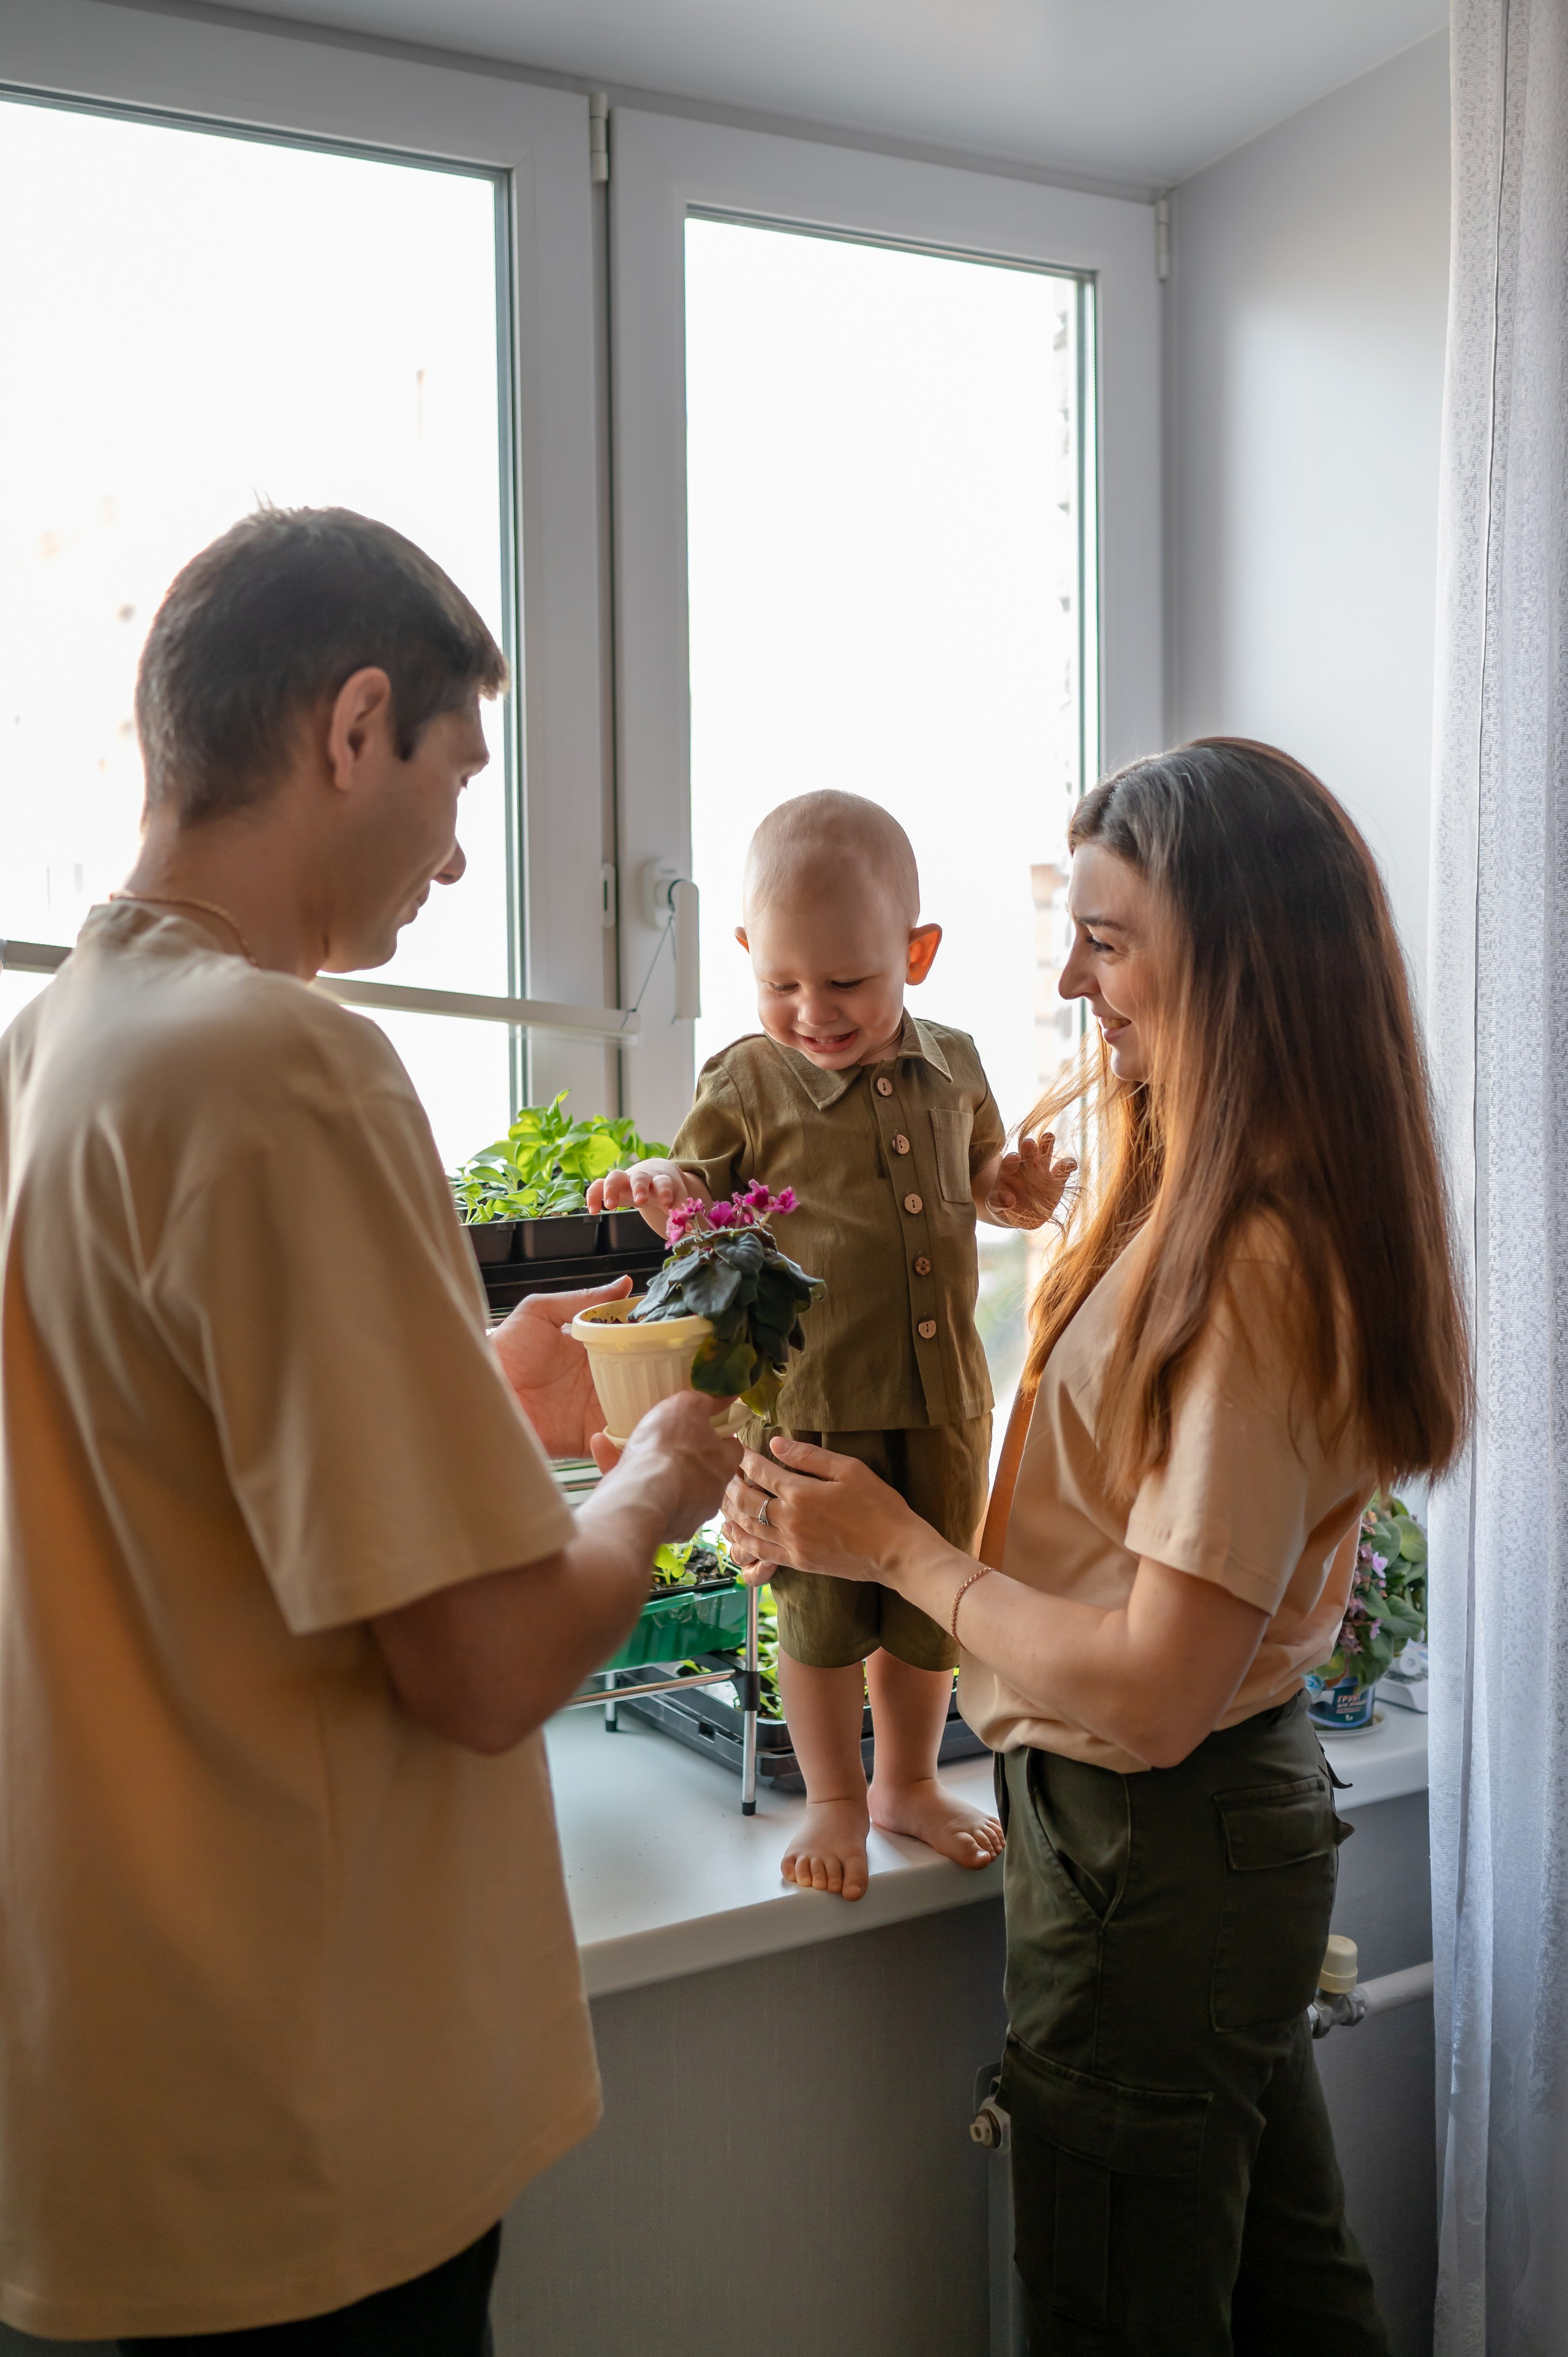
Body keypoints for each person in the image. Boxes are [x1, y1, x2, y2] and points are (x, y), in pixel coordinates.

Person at [0, 505, 740, 2350]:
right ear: (352, 729)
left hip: (111, 2097)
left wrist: (480, 1400)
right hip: (300, 2130)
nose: (460, 848)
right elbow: (484, 1665)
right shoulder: (284, 1061)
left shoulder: (50, 1061)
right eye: (455, 772)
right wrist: (650, 1484)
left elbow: (167, 1508)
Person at [722, 741, 1471, 2353]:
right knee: (1290, 2294)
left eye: (1109, 940)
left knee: (1119, 2311)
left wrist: (902, 1553)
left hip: (1158, 1846)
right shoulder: (1180, 1182)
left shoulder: (1259, 1259)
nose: (1068, 976)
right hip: (1181, 1850)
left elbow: (1148, 1694)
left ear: (1237, 959)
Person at [590, 792, 1074, 1901]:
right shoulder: (746, 1080)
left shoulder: (954, 1062)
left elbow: (985, 1186)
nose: (812, 1010)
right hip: (810, 1397)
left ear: (917, 953)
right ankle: (834, 1799)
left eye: (848, 982)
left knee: (924, 1609)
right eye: (782, 983)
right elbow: (700, 1197)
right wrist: (668, 1186)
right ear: (749, 955)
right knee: (815, 1612)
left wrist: (1020, 1193)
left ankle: (905, 1779)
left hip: (945, 1394)